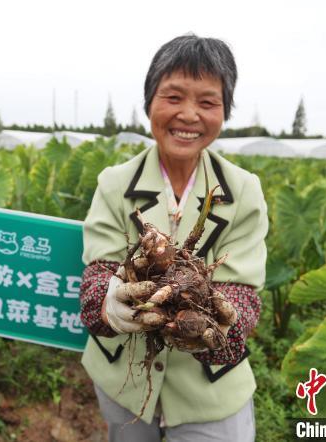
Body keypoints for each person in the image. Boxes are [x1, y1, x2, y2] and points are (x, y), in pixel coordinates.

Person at [79, 34, 268, 442]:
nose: (188, 115)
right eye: (173, 97)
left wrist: (212, 319)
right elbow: (99, 273)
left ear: (224, 111)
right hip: (123, 381)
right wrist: (110, 302)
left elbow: (243, 294)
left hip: (212, 385)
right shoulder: (114, 184)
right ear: (149, 102)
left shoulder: (244, 190)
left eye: (207, 102)